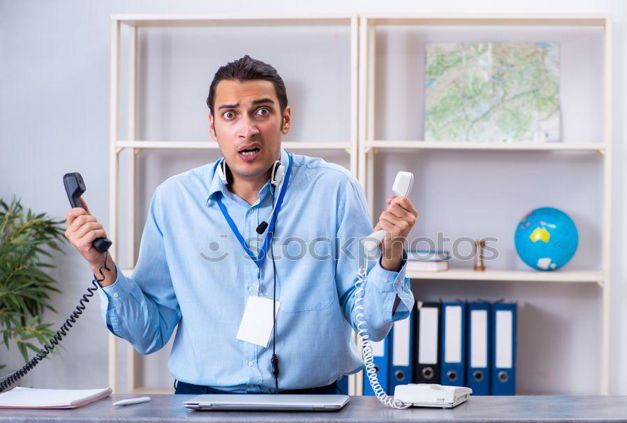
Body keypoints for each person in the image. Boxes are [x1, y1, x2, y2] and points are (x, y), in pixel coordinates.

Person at [64, 55, 417, 395]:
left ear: (286, 119)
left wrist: (391, 254)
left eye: (262, 112)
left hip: (314, 402)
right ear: (213, 126)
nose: (247, 129)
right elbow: (149, 333)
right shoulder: (174, 199)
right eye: (230, 115)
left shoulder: (335, 189)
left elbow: (370, 322)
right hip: (200, 404)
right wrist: (101, 265)